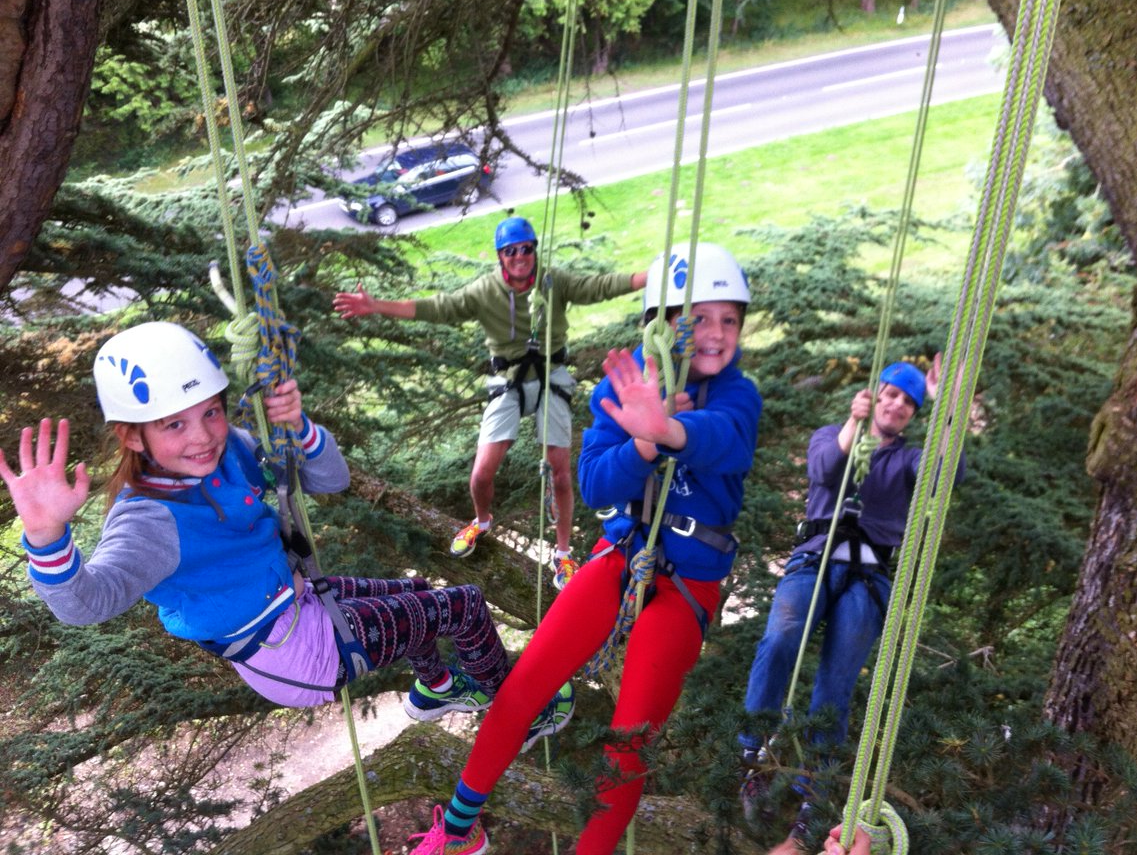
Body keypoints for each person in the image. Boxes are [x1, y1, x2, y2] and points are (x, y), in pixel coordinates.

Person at [0, 320, 572, 744]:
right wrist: (48, 536)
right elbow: (85, 603)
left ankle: (438, 685)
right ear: (130, 437)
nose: (202, 436)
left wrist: (298, 428)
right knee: (464, 606)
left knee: (420, 592)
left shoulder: (231, 451)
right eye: (174, 424)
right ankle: (521, 713)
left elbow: (331, 479)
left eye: (212, 412)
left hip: (298, 604)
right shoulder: (148, 519)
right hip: (294, 650)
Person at [403, 243, 762, 855]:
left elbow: (723, 439)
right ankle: (459, 830)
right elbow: (594, 482)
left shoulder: (738, 396)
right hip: (620, 558)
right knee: (523, 687)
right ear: (665, 323)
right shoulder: (619, 396)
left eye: (729, 319)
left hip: (687, 588)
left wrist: (666, 429)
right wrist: (642, 442)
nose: (716, 334)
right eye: (699, 318)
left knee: (628, 742)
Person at [332, 216, 648, 588]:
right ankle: (482, 522)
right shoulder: (485, 292)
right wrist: (376, 305)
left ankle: (563, 555)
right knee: (482, 473)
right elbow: (437, 307)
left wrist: (650, 278)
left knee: (560, 473)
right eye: (511, 251)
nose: (520, 257)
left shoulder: (553, 282)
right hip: (508, 381)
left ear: (533, 251)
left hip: (551, 378)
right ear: (501, 256)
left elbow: (598, 287)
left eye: (526, 249)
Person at [739, 357, 965, 836]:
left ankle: (815, 791)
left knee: (836, 683)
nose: (898, 405)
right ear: (874, 395)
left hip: (867, 575)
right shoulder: (832, 434)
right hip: (814, 560)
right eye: (890, 394)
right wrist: (853, 422)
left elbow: (946, 474)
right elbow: (826, 469)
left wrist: (948, 406)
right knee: (781, 638)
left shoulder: (906, 460)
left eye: (908, 401)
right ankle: (750, 745)